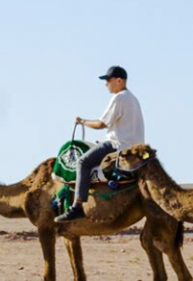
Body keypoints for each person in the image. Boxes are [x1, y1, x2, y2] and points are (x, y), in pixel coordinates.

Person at [57, 65, 144, 222]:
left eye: (108, 81)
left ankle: (77, 207)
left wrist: (82, 121)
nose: (106, 84)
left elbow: (101, 124)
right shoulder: (133, 99)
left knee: (82, 161)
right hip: (135, 147)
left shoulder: (119, 98)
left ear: (119, 80)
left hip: (118, 145)